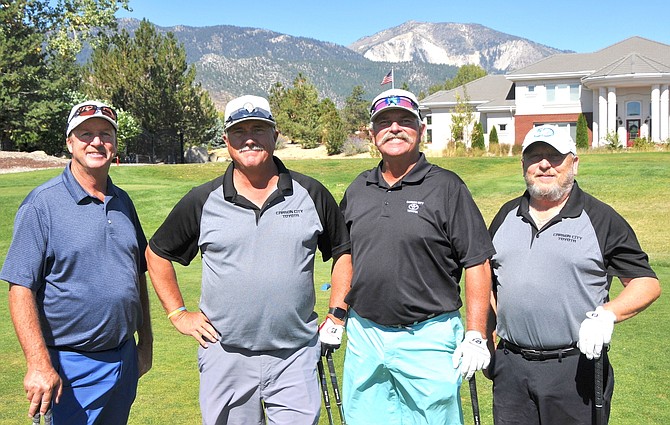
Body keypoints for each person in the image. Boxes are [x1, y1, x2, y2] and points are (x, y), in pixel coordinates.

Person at [145, 94, 351, 425]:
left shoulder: (310, 193)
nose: (250, 139)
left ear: (276, 136)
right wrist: (178, 314)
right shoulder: (203, 199)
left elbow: (343, 251)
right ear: (226, 140)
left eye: (259, 129)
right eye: (240, 132)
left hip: (294, 356)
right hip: (226, 357)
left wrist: (337, 315)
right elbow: (157, 253)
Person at [334, 88, 495, 424]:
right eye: (385, 123)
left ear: (421, 130)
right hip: (365, 334)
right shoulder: (357, 189)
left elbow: (477, 261)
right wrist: (337, 316)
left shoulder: (447, 187)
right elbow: (345, 254)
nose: (395, 128)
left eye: (405, 121)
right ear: (372, 134)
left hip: (428, 335)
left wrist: (476, 333)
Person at [487, 124, 662, 424]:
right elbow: (488, 283)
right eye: (535, 156)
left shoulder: (600, 218)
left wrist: (608, 313)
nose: (544, 164)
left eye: (555, 157)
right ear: (523, 165)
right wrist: (486, 340)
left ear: (574, 163)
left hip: (575, 369)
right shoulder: (505, 215)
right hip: (511, 369)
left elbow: (646, 282)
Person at [1, 100, 153, 424]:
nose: (96, 142)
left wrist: (145, 346)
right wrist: (38, 363)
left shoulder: (123, 201)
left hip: (123, 359)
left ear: (114, 144)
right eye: (85, 134)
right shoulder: (42, 205)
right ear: (69, 142)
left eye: (105, 134)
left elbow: (137, 277)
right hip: (70, 367)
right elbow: (20, 288)